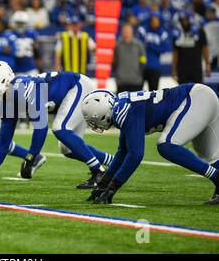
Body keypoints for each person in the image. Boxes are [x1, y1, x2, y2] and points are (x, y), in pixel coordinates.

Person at [82, 85, 219, 205]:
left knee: (167, 145)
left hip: (195, 99)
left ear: (101, 112)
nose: (95, 125)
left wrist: (114, 185)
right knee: (211, 157)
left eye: (94, 120)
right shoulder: (121, 105)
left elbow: (136, 154)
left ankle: (216, 177)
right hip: (202, 96)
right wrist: (103, 184)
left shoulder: (121, 112)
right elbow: (123, 151)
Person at [0, 71, 114, 189]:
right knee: (68, 149)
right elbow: (4, 138)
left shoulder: (24, 89)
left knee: (60, 128)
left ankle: (99, 173)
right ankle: (114, 162)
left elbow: (41, 127)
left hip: (77, 86)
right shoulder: (6, 99)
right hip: (68, 95)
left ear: (2, 81)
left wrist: (31, 158)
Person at [137, 13, 169, 91]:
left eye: (156, 20)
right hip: (141, 66)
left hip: (155, 67)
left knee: (153, 93)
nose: (154, 22)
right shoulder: (143, 30)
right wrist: (155, 47)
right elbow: (139, 45)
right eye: (152, 20)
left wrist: (151, 46)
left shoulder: (163, 33)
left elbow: (164, 49)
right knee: (137, 92)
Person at [113, 24, 147, 93]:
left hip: (136, 82)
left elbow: (143, 61)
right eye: (124, 31)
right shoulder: (117, 45)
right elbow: (114, 61)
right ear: (121, 32)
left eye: (128, 31)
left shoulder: (138, 45)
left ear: (132, 32)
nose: (126, 33)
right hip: (121, 82)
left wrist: (139, 74)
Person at [6, 10, 41, 75]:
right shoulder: (9, 34)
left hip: (31, 67)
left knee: (37, 83)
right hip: (16, 68)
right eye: (18, 23)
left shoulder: (31, 34)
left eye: (22, 23)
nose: (20, 25)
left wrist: (38, 63)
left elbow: (36, 50)